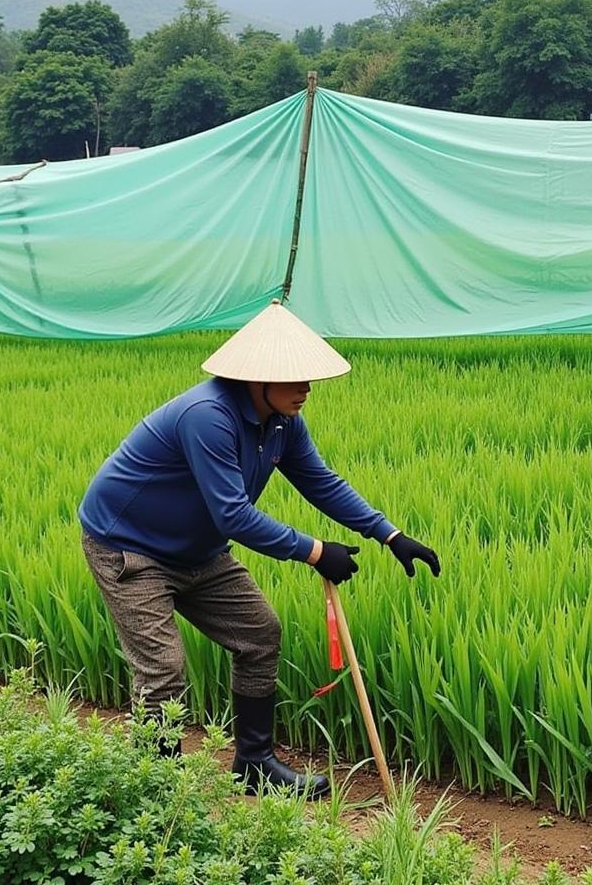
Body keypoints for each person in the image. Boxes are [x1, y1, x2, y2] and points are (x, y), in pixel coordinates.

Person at [78, 300, 440, 798]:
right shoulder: (208, 417)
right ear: (257, 378)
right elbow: (235, 516)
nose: (307, 390)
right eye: (296, 380)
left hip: (198, 550)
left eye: (309, 380)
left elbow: (320, 481)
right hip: (130, 549)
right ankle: (157, 789)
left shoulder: (282, 421)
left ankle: (254, 763)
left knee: (258, 631)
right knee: (163, 670)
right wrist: (316, 551)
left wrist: (390, 535)